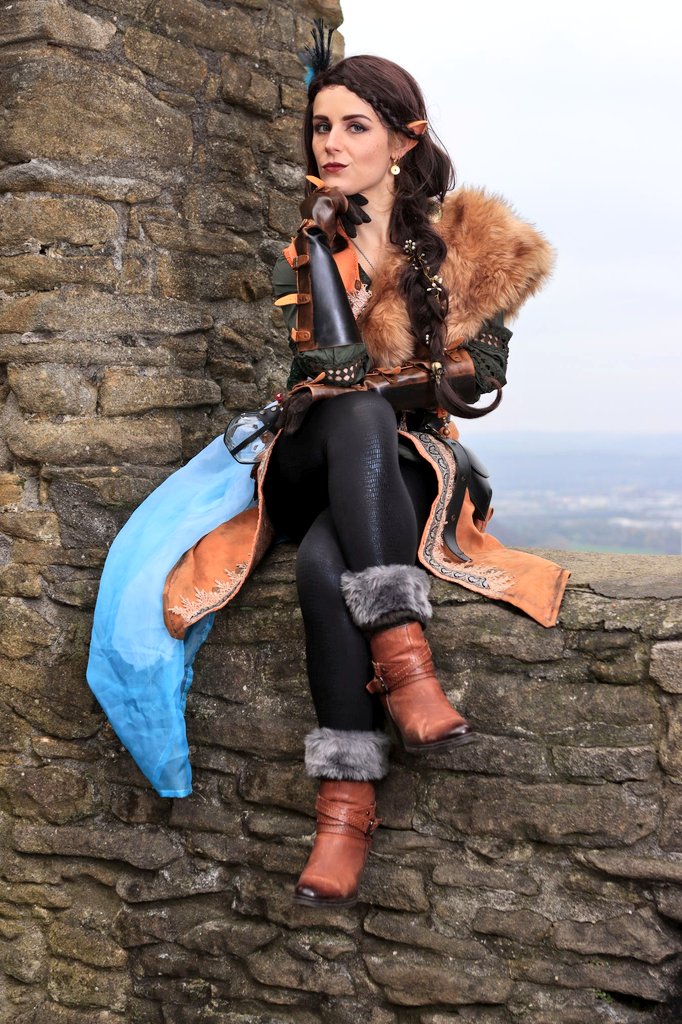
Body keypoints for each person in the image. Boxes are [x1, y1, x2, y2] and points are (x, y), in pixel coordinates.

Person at [88, 28, 569, 911]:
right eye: (320, 128)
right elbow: (329, 379)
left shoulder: (469, 243)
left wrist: (382, 385)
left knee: (322, 564)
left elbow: (480, 377)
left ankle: (345, 812)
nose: (331, 145)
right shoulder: (315, 241)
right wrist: (321, 252)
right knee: (351, 411)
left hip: (412, 455)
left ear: (404, 141)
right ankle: (408, 667)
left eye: (354, 127)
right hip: (310, 453)